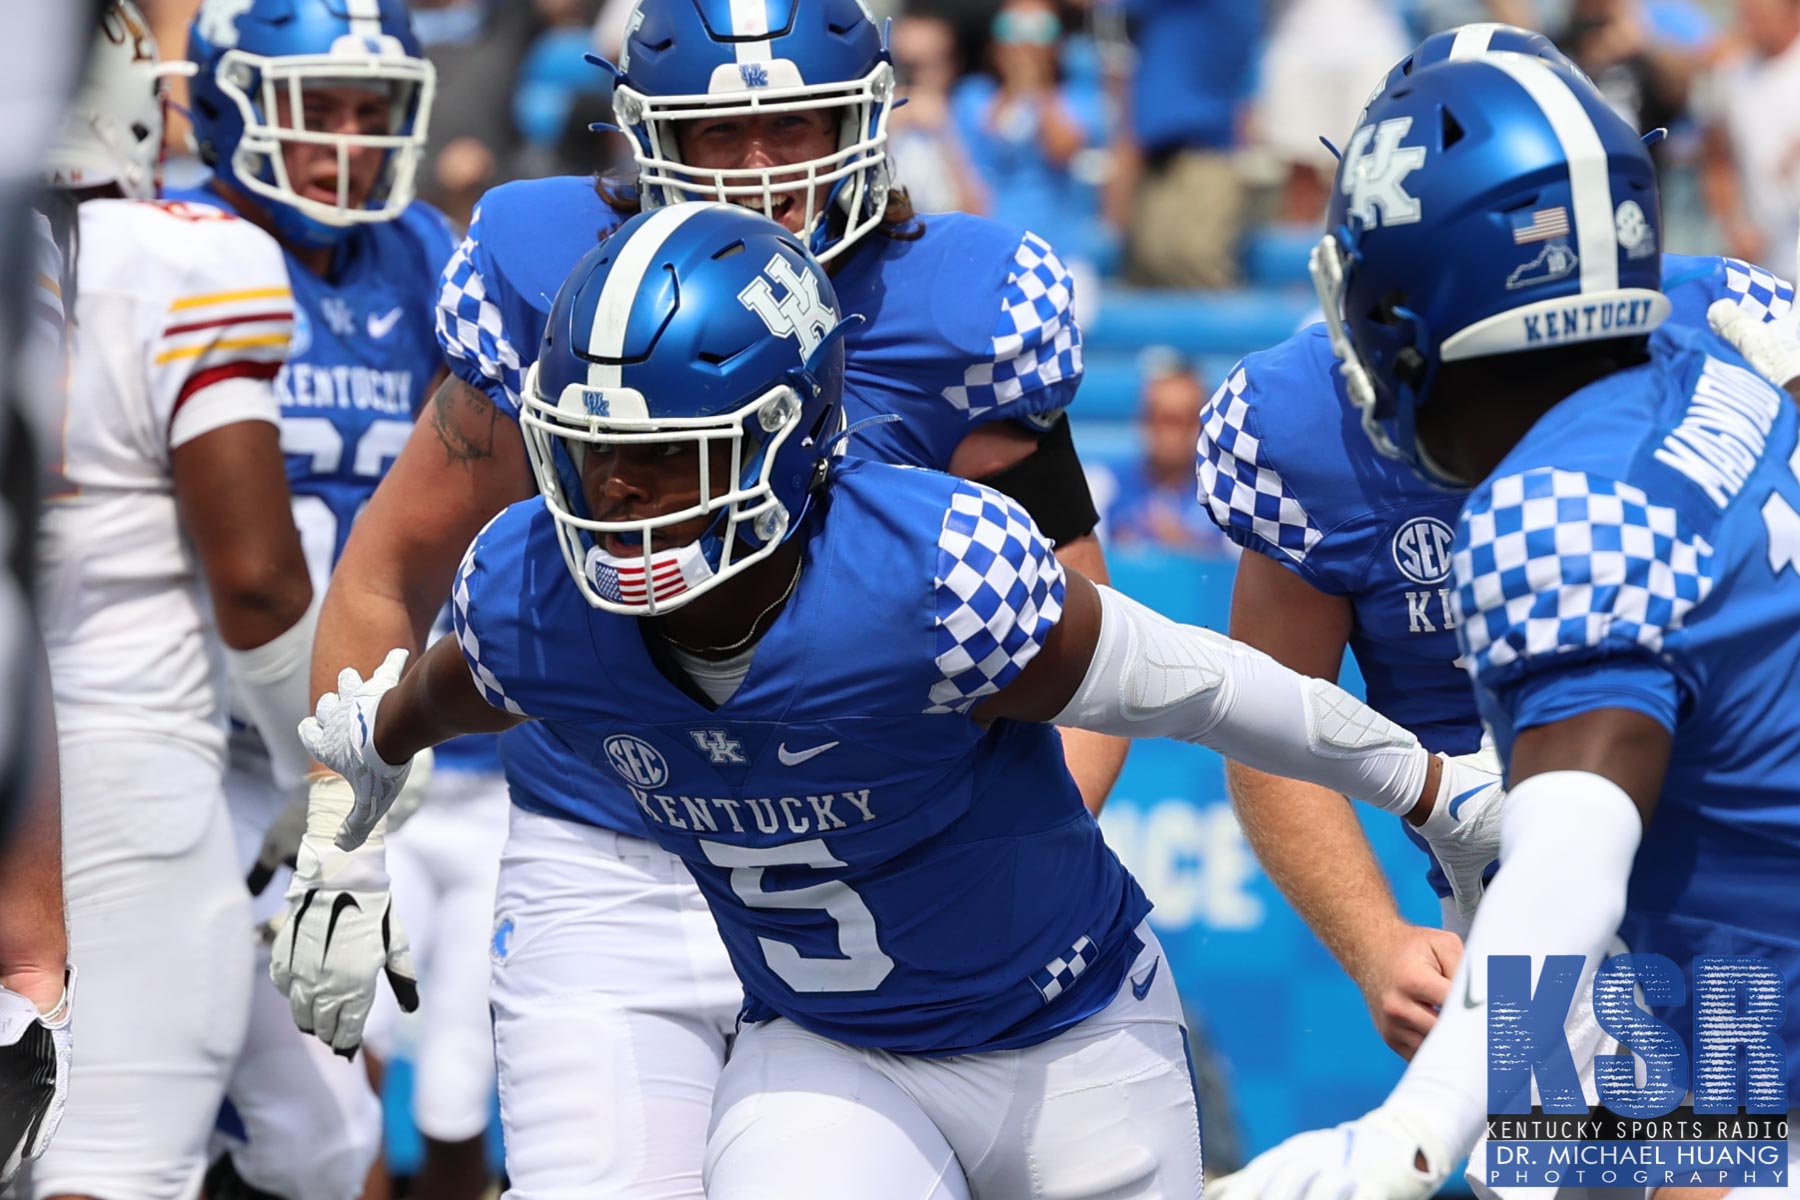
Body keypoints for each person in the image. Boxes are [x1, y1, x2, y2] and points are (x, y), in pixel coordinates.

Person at [284, 201, 1505, 1200]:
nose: (617, 496)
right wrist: (344, 834)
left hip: (1067, 1033)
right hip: (830, 1054)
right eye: (589, 450)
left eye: (668, 455)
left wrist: (1429, 785)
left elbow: (1202, 687)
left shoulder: (928, 580)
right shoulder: (534, 601)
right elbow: (394, 717)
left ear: (786, 441)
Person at [289, 1, 1130, 1192]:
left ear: (869, 116)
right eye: (716, 130)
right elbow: (387, 573)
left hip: (874, 871)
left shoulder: (956, 307)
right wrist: (343, 827)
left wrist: (993, 859)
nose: (758, 167)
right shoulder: (547, 272)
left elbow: (1080, 649)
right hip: (608, 859)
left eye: (792, 122)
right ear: (641, 132)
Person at [1212, 49, 1800, 1200]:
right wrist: (1377, 937)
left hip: (1687, 938)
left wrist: (1411, 1131)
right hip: (1601, 906)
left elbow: (1577, 847)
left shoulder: (1561, 499)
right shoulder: (1710, 348)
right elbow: (1266, 716)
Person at [170, 1, 480, 1196]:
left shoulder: (422, 253)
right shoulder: (178, 243)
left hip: (346, 753)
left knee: (331, 1123)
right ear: (229, 106)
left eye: (371, 112)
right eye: (315, 112)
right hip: (188, 736)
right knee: (158, 1084)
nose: (347, 141)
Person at [30, 3, 319, 1195]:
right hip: (117, 759)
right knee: (115, 1163)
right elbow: (252, 576)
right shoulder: (179, 256)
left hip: (24, 738)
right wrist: (327, 776)